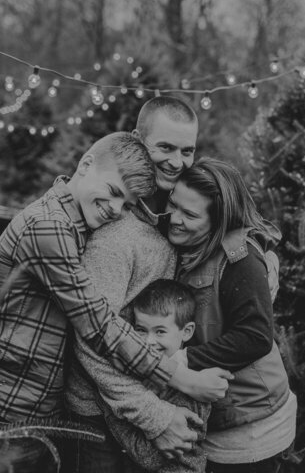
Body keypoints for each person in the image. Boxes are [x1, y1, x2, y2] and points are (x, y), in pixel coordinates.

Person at [64, 97, 231, 472]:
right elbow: (91, 342)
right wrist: (156, 417)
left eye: (187, 150)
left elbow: (227, 212)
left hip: (138, 408)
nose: (177, 161)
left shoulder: (171, 214)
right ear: (139, 140)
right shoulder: (116, 236)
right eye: (165, 148)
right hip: (97, 422)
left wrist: (258, 249)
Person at [167, 158, 297, 473]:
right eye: (173, 205)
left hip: (251, 430)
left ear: (219, 221)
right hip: (223, 421)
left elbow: (255, 338)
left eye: (190, 214)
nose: (174, 218)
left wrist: (182, 361)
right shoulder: (193, 246)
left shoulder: (240, 262)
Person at [101, 279, 211, 473]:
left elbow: (148, 456)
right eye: (141, 330)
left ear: (187, 332)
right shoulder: (147, 372)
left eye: (160, 331)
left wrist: (110, 412)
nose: (147, 341)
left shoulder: (189, 387)